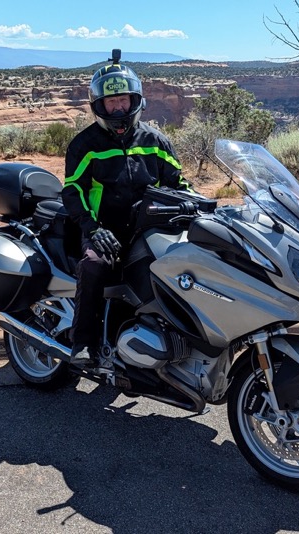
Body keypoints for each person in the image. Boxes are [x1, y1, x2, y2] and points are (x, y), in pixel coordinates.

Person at [61, 51, 195, 374]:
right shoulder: (85, 145)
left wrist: (194, 207)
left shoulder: (156, 141)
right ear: (100, 106)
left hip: (148, 229)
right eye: (111, 102)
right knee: (94, 265)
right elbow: (72, 190)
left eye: (123, 99)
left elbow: (179, 183)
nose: (118, 108)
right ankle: (83, 343)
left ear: (135, 99)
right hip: (103, 230)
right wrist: (92, 229)